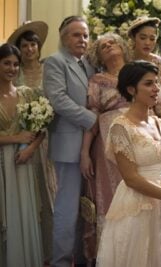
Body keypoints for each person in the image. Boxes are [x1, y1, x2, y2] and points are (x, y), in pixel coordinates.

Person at [96, 60, 161, 266]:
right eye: (148, 83)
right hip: (137, 204)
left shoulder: (159, 123)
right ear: (131, 89)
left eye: (156, 82)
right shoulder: (120, 127)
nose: (156, 89)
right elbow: (131, 179)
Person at [43, 16, 97, 267]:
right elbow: (58, 99)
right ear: (64, 37)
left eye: (85, 35)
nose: (82, 40)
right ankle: (61, 262)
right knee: (67, 209)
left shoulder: (87, 65)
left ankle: (82, 257)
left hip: (90, 146)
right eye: (76, 35)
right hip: (68, 145)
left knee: (84, 209)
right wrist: (91, 119)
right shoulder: (55, 61)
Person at [7, 20, 56, 264]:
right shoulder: (16, 74)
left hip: (47, 140)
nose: (29, 50)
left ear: (38, 47)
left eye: (33, 45)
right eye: (24, 45)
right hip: (21, 141)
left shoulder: (50, 68)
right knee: (27, 196)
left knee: (48, 195)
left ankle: (48, 251)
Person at [80, 32, 131, 262]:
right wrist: (84, 153)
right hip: (107, 145)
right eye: (103, 46)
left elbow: (159, 107)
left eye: (112, 43)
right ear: (98, 56)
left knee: (136, 193)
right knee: (111, 196)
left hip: (138, 140)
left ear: (122, 47)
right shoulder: (97, 80)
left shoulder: (139, 71)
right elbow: (93, 116)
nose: (109, 46)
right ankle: (112, 257)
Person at [0, 43, 44, 267]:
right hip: (1, 164)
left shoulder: (26, 93)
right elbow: (21, 134)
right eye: (6, 63)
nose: (12, 68)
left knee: (23, 215)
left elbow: (41, 128)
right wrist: (17, 139)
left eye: (15, 64)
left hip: (22, 163)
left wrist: (30, 149)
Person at [127, 16, 161, 141]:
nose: (147, 43)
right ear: (133, 38)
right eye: (143, 38)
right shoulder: (124, 61)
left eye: (152, 39)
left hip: (152, 119)